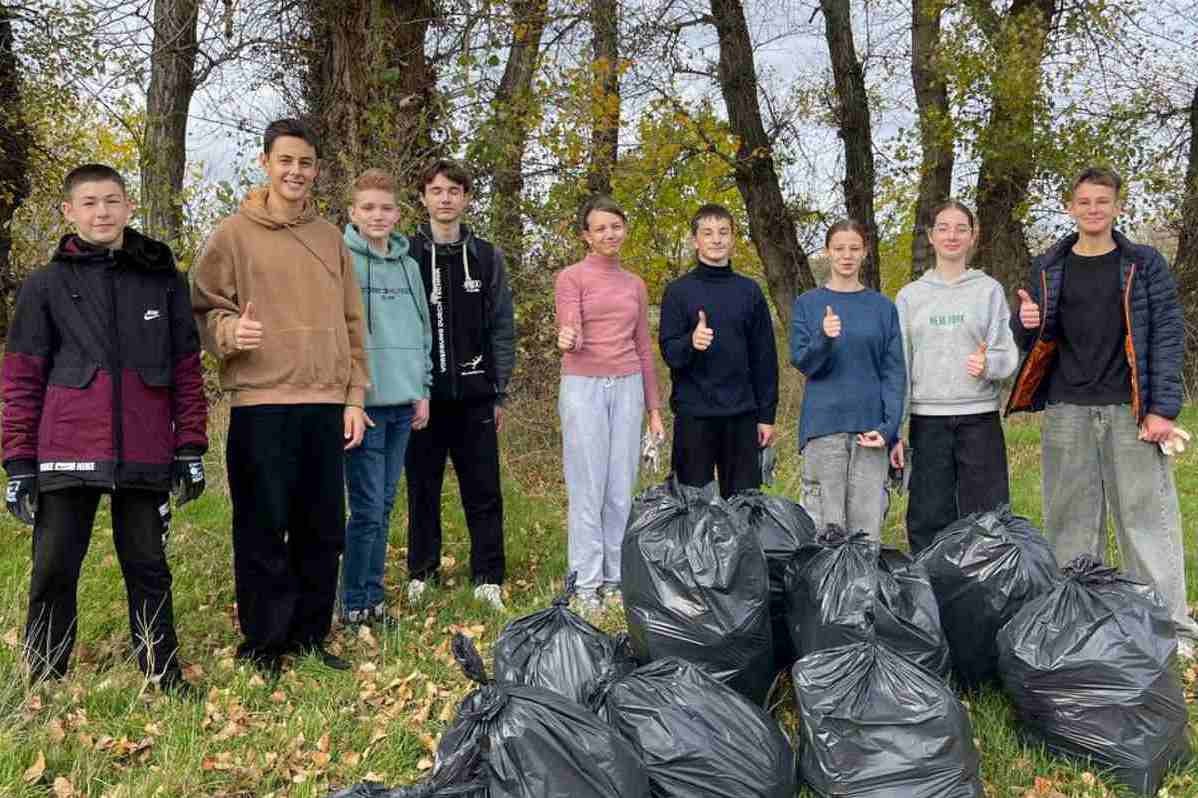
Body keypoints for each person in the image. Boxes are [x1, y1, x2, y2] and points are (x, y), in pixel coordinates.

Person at [1, 163, 207, 695]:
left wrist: (190, 446)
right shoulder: (45, 285)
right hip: (65, 452)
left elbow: (187, 370)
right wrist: (19, 464)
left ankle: (163, 674)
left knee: (148, 567)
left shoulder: (163, 280)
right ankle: (44, 677)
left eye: (112, 201)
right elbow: (22, 378)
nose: (102, 212)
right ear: (69, 212)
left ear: (129, 207)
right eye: (89, 202)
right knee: (53, 569)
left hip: (144, 452)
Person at [191, 118, 370, 674]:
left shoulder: (330, 238)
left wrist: (354, 395)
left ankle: (310, 635)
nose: (296, 171)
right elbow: (204, 306)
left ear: (317, 170)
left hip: (324, 402)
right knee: (263, 525)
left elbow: (351, 320)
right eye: (286, 160)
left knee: (322, 527)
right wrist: (228, 335)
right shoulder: (232, 234)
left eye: (306, 162)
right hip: (260, 400)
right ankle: (265, 642)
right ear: (266, 162)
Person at [1007, 166, 1198, 657]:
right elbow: (1034, 338)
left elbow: (1166, 334)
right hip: (1068, 408)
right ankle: (1079, 624)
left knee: (1145, 520)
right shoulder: (1050, 264)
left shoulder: (1143, 263)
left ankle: (1168, 629)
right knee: (1070, 521)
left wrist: (1161, 409)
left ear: (1117, 206)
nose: (1093, 209)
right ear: (1070, 207)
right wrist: (1023, 322)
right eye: (1084, 201)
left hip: (1128, 409)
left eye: (1102, 201)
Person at [404, 159, 515, 610]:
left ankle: (488, 574)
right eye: (436, 190)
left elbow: (502, 328)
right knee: (422, 487)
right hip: (422, 397)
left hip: (475, 397)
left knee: (483, 487)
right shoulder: (406, 254)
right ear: (424, 198)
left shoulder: (487, 256)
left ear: (466, 198)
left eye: (454, 190)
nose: (445, 198)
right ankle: (420, 572)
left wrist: (499, 390)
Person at [555, 195, 664, 615]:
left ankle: (617, 579)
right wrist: (568, 336)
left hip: (628, 386)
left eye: (615, 226)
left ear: (625, 229)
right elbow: (569, 324)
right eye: (600, 228)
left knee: (621, 488)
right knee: (588, 488)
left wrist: (654, 409)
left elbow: (642, 346)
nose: (609, 234)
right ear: (586, 235)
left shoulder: (635, 284)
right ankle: (585, 583)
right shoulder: (571, 277)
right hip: (583, 386)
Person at [894, 200, 1019, 553]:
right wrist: (897, 429)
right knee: (928, 515)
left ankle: (987, 597)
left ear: (972, 236)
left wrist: (989, 365)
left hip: (978, 418)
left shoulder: (988, 290)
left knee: (988, 516)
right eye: (944, 228)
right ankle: (931, 594)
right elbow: (900, 364)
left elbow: (1005, 352)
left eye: (961, 228)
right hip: (927, 419)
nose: (952, 236)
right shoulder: (910, 297)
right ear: (931, 237)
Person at [340, 169, 432, 626]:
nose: (378, 216)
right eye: (368, 208)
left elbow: (423, 332)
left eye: (386, 208)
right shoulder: (343, 260)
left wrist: (423, 388)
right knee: (368, 508)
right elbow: (339, 333)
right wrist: (348, 398)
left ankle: (374, 598)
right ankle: (356, 602)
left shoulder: (410, 265)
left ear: (398, 213)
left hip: (403, 402)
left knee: (387, 505)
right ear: (353, 213)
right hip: (365, 405)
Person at [790, 220, 904, 540]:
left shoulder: (883, 308)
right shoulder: (808, 304)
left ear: (865, 252)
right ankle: (822, 591)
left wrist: (890, 429)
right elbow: (805, 363)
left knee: (866, 531)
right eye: (839, 248)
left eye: (854, 248)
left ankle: (863, 590)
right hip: (823, 428)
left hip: (870, 432)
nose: (846, 255)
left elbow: (893, 373)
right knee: (826, 531)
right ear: (828, 252)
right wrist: (824, 337)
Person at [658, 204, 778, 499]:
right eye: (708, 232)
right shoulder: (678, 291)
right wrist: (691, 343)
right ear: (695, 240)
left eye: (723, 232)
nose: (716, 239)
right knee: (691, 506)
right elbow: (670, 353)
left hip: (742, 415)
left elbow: (765, 357)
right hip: (694, 414)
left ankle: (741, 549)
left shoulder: (749, 291)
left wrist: (766, 415)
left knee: (743, 506)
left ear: (733, 238)